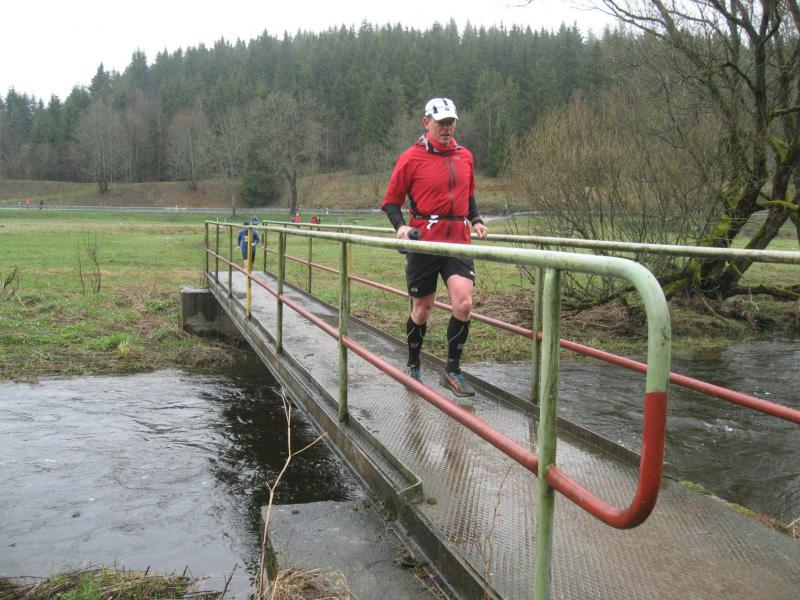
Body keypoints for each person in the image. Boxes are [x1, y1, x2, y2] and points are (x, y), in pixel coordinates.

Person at [381, 97, 488, 397]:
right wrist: (401, 227)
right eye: (441, 123)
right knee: (423, 308)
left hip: (458, 240)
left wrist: (476, 220)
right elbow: (391, 202)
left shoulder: (465, 156)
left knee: (464, 304)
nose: (447, 128)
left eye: (451, 123)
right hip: (425, 241)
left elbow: (468, 195)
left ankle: (452, 371)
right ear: (426, 122)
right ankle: (413, 363)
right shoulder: (411, 157)